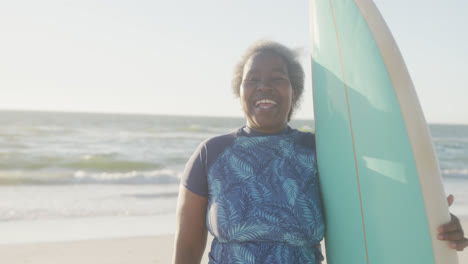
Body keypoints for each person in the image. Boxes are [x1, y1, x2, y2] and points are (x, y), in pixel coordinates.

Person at [172, 40, 467, 263]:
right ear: (240, 93)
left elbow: (377, 205)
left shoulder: (322, 152)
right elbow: (186, 249)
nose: (264, 86)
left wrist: (436, 219)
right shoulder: (211, 154)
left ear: (295, 92)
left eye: (277, 78)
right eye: (252, 79)